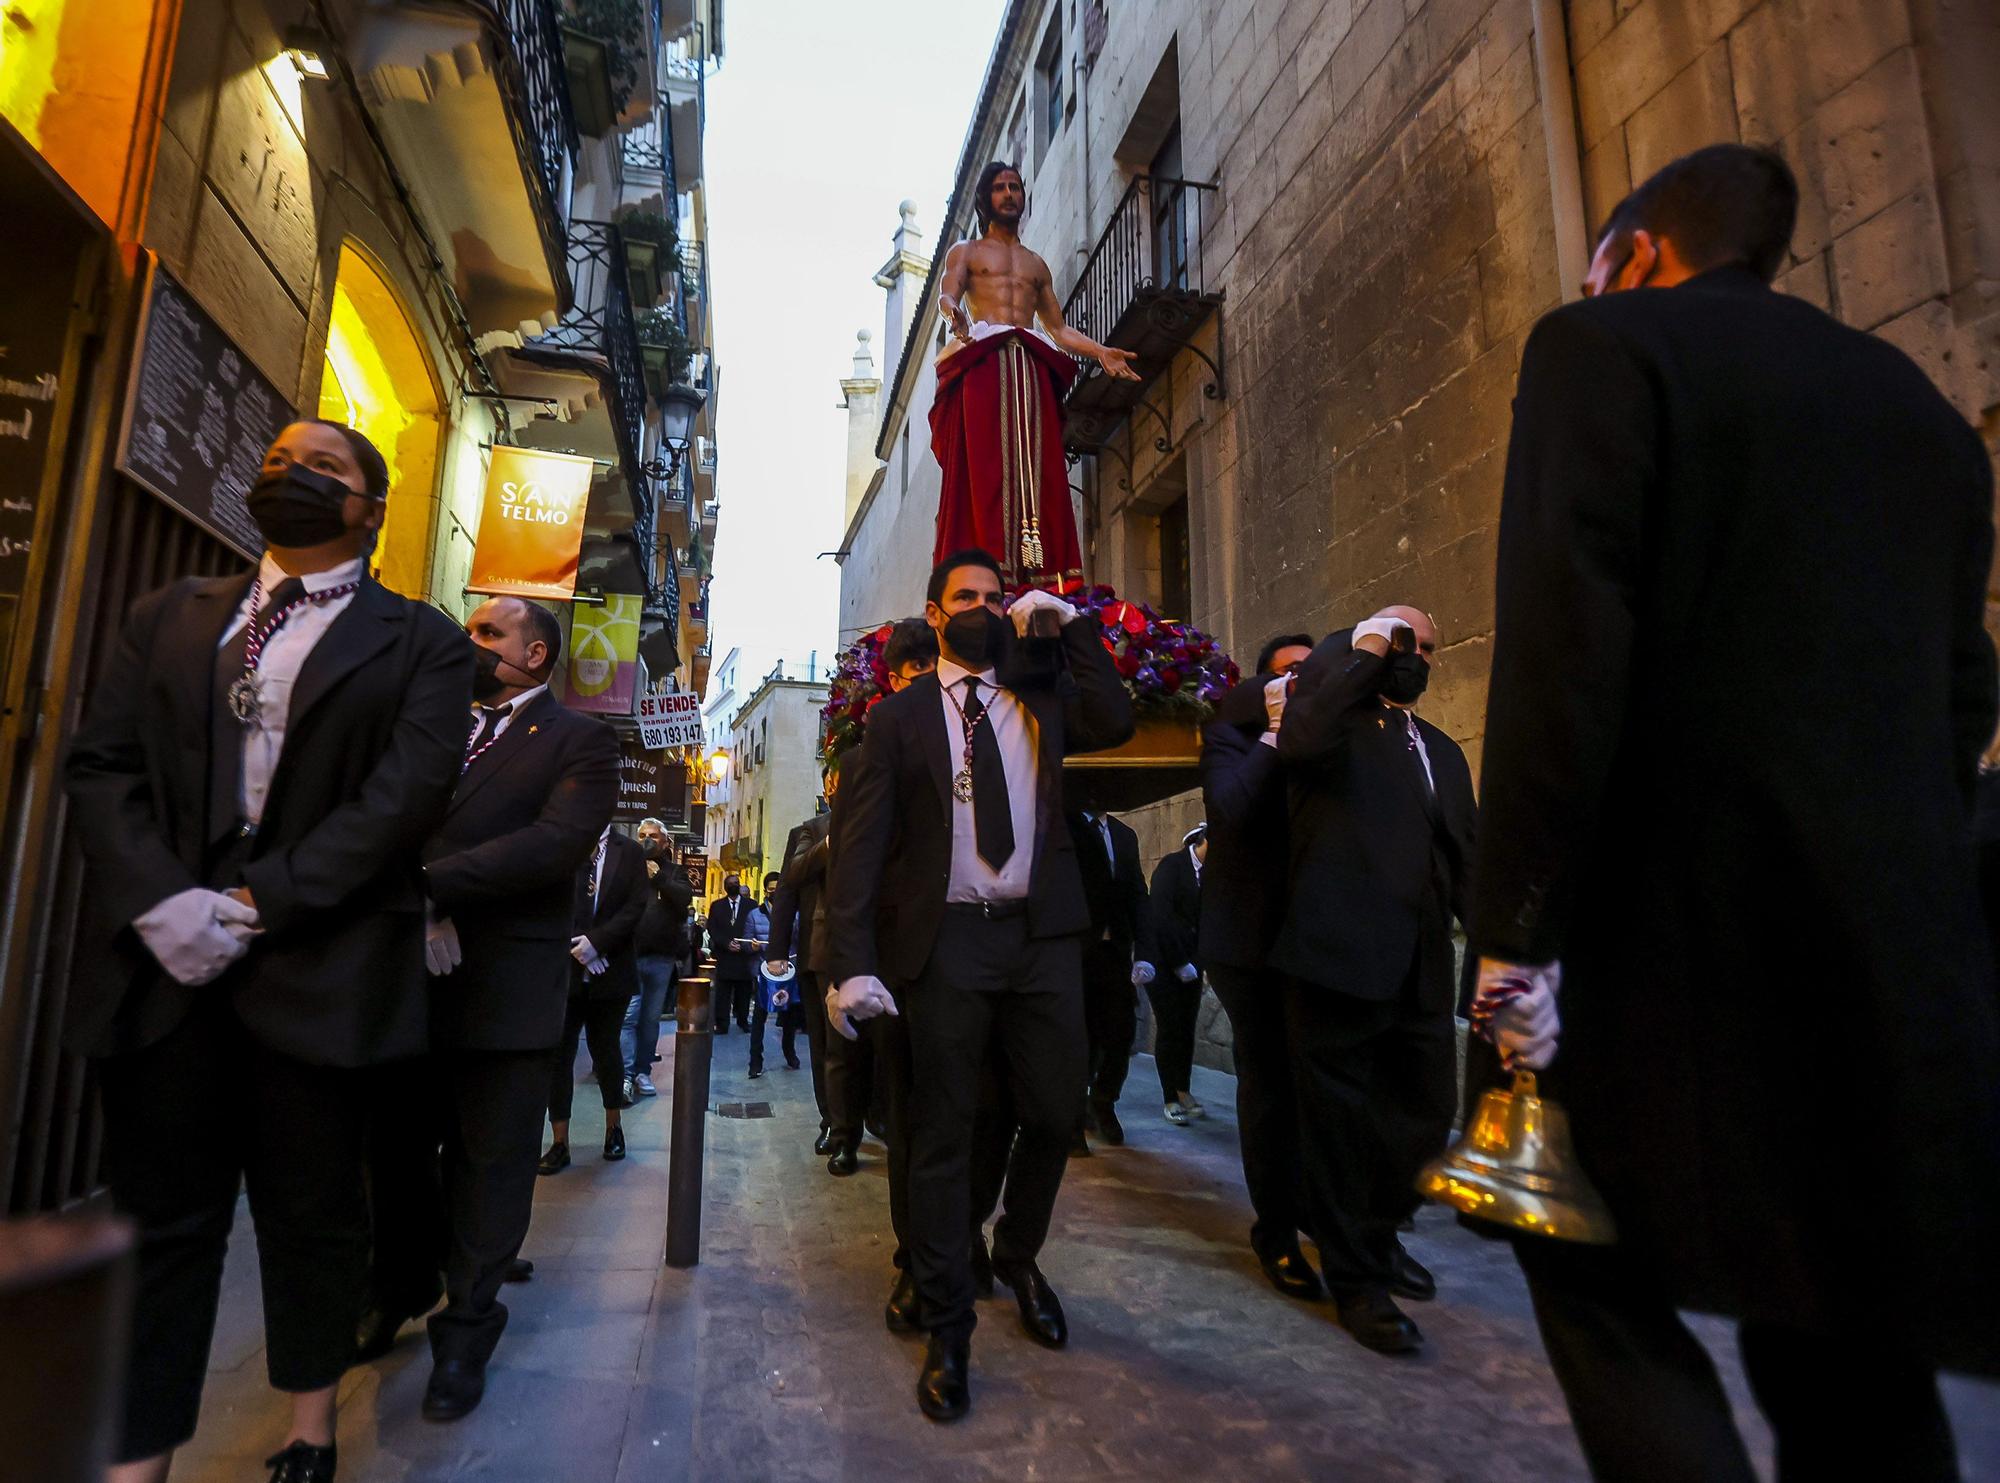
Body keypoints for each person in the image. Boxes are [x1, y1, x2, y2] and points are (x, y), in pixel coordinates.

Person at [1469, 143, 2000, 1481]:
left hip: (1672, 946)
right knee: (1843, 1317)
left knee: (1576, 1244)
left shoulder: (1603, 347)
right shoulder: (1922, 415)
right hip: (1887, 956)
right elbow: (1960, 693)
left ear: (1637, 252)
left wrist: (1518, 928)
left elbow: (1563, 653)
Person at [63, 419, 472, 1483]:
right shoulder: (170, 616)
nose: (290, 474)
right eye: (280, 458)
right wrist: (164, 903)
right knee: (161, 1222)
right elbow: (102, 765)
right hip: (166, 970)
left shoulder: (421, 640)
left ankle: (306, 1425)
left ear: (370, 510)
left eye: (323, 469)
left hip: (318, 967)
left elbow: (404, 796)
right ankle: (138, 1451)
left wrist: (257, 901)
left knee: (312, 1211)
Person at [824, 548, 1134, 1423]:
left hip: (1040, 938)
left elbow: (1112, 716)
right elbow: (858, 852)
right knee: (943, 1129)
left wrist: (1072, 629)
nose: (982, 607)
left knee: (1050, 1110)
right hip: (949, 939)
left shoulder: (1040, 695)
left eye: (995, 597)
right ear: (933, 609)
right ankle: (949, 1323)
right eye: (966, 596)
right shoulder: (897, 720)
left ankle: (1020, 1251)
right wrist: (850, 963)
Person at [354, 594, 619, 1421]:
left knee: (490, 1165)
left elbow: (551, 844)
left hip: (504, 991)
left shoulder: (581, 740)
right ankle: (400, 1280)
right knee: (390, 1151)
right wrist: (411, 905)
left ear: (535, 655)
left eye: (487, 633)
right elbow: (386, 814)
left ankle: (466, 1327)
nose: (472, 646)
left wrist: (433, 887)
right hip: (406, 981)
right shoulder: (438, 728)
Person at [1273, 605, 1475, 1357]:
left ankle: (1380, 1234)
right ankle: (1357, 1279)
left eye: (1426, 646)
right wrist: (1362, 658)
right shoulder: (1333, 724)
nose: (1415, 657)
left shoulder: (1442, 750)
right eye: (1403, 642)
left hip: (1421, 964)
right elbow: (1300, 737)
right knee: (1340, 1127)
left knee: (1425, 1114)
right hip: (1338, 956)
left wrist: (1497, 949)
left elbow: (1465, 853)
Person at [931, 163, 1139, 583]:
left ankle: (1040, 568)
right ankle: (992, 566)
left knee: (1038, 466)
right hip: (986, 364)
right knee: (987, 464)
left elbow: (1057, 329)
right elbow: (947, 294)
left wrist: (1101, 352)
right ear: (985, 199)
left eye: (1014, 187)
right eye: (999, 188)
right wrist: (954, 314)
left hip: (1027, 367)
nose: (1009, 194)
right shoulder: (967, 252)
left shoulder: (1036, 265)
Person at [1199, 633, 1322, 1300]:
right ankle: (1276, 1230)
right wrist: (1274, 735)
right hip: (1248, 941)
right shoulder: (1232, 736)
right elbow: (1233, 808)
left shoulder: (1336, 737)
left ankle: (1327, 1215)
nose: (1305, 683)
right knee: (1271, 1081)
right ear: (1263, 684)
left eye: (1314, 671)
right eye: (1290, 673)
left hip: (1319, 938)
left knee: (1324, 1081)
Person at [540, 824, 648, 1169]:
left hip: (611, 967)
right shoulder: (565, 842)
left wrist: (599, 943)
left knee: (607, 1050)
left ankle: (613, 1129)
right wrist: (578, 946)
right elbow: (549, 900)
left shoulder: (628, 851)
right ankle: (559, 1142)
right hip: (564, 968)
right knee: (559, 1054)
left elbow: (635, 906)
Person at [768, 759, 843, 1158]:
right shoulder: (810, 832)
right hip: (820, 953)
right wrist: (776, 952)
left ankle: (864, 1115)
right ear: (828, 786)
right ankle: (832, 1121)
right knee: (826, 1045)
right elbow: (787, 890)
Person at [1068, 798, 1149, 1150]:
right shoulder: (1063, 826)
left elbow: (1137, 895)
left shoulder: (1124, 835)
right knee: (1076, 1036)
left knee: (1120, 1032)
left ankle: (1103, 1101)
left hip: (1114, 953)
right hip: (1074, 952)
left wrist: (1145, 953)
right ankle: (1071, 1116)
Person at [1140, 825, 1207, 1125]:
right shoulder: (1172, 866)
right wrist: (1179, 961)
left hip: (1192, 963)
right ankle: (1170, 1097)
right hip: (1164, 963)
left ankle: (1184, 1089)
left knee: (1187, 1028)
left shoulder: (1210, 876)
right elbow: (1161, 918)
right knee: (1170, 1027)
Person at [624, 817, 692, 1098]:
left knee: (651, 1019)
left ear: (665, 842)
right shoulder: (627, 870)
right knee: (628, 1018)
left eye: (653, 835)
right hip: (629, 956)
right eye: (642, 835)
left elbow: (684, 898)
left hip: (662, 958)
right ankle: (625, 1074)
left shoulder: (675, 872)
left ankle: (642, 1071)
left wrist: (659, 878)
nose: (647, 840)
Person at [746, 872, 797, 1077]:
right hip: (764, 972)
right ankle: (755, 1060)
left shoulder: (794, 912)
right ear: (766, 890)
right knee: (759, 1018)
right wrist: (753, 946)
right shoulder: (754, 915)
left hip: (788, 972)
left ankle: (789, 1052)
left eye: (778, 888)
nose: (775, 892)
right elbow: (747, 942)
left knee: (790, 1017)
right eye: (771, 888)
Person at [706, 872, 757, 1033]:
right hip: (725, 955)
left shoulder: (751, 905)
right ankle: (722, 1023)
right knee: (723, 993)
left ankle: (743, 1020)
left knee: (744, 991)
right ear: (725, 887)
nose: (733, 885)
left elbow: (755, 926)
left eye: (736, 882)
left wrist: (746, 944)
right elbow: (712, 928)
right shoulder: (717, 905)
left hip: (744, 956)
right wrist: (726, 943)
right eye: (730, 883)